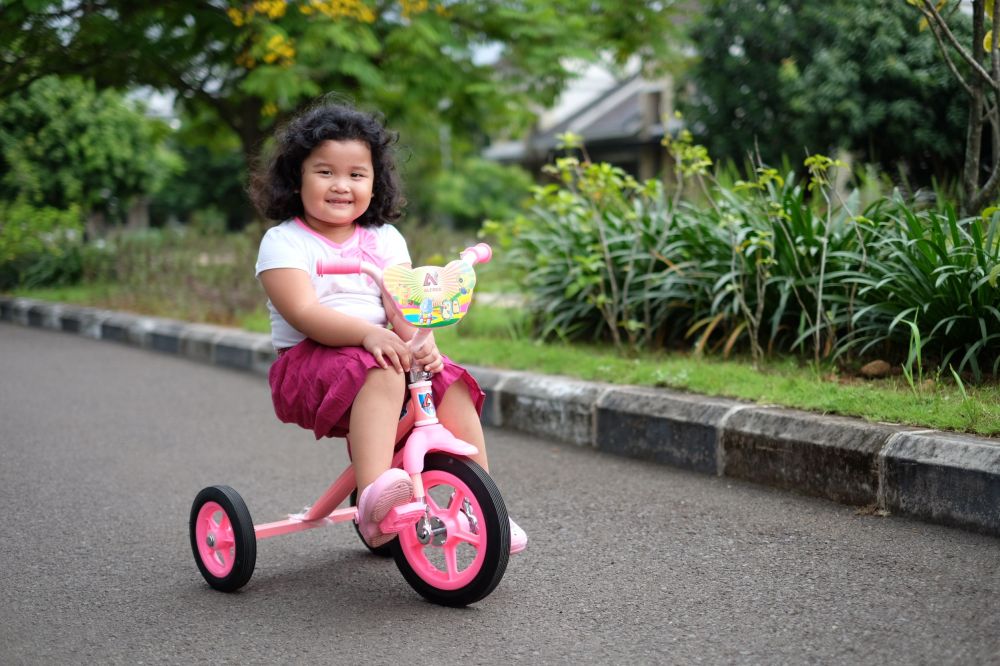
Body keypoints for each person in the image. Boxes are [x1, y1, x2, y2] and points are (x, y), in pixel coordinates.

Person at [250, 101, 526, 553]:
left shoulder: (384, 239)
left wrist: (422, 339)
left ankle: (482, 507)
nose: (342, 185)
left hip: (382, 354)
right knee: (380, 366)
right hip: (308, 366)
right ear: (296, 177)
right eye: (325, 172)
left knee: (449, 379)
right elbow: (302, 311)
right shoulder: (284, 241)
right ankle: (375, 497)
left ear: (375, 182)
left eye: (357, 174)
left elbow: (403, 305)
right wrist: (367, 334)